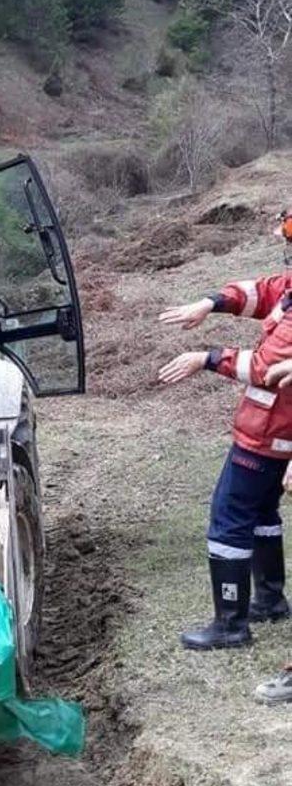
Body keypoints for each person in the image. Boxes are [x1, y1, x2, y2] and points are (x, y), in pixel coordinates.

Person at [158, 210, 292, 651]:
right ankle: (270, 601)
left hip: (268, 432)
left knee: (228, 518)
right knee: (261, 513)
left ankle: (230, 623)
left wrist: (207, 357)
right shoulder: (290, 289)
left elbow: (264, 368)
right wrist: (212, 301)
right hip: (275, 432)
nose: (285, 249)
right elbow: (260, 292)